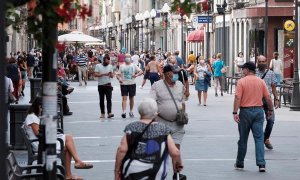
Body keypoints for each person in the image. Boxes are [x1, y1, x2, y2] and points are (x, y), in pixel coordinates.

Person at [23, 97, 93, 180]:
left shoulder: (35, 116)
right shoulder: (32, 117)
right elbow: (38, 133)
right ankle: (75, 165)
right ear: (38, 106)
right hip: (40, 145)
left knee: (68, 143)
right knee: (68, 139)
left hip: (43, 142)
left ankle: (70, 173)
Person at [114, 98, 183, 180]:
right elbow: (175, 152)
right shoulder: (163, 129)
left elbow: (122, 150)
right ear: (156, 113)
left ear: (140, 112)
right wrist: (178, 165)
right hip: (156, 170)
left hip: (133, 170)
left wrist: (117, 170)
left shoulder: (131, 127)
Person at [233, 62, 273, 172]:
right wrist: (270, 110)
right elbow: (268, 97)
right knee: (259, 138)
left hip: (245, 112)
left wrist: (235, 112)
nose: (242, 71)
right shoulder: (261, 81)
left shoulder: (241, 82)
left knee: (243, 139)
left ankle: (240, 163)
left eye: (243, 69)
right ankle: (261, 164)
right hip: (259, 111)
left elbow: (237, 97)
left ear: (247, 69)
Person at [149, 64, 187, 180]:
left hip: (177, 124)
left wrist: (182, 114)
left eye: (177, 72)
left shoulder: (180, 85)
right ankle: (157, 174)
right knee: (160, 151)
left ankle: (176, 174)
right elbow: (151, 102)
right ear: (165, 74)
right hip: (161, 123)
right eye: (173, 72)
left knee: (176, 150)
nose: (176, 75)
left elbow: (182, 101)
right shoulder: (157, 86)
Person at [256, 55, 280, 150]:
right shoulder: (253, 73)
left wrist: (276, 99)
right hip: (256, 100)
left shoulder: (271, 73)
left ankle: (265, 138)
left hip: (267, 100)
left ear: (266, 62)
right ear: (257, 62)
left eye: (263, 61)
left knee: (271, 121)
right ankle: (262, 140)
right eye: (260, 61)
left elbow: (274, 87)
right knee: (258, 122)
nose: (262, 63)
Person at [116, 54, 143, 118]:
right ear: (124, 58)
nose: (127, 58)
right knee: (124, 98)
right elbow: (118, 74)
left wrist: (136, 75)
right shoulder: (121, 66)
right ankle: (124, 112)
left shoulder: (133, 65)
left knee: (131, 98)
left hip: (132, 83)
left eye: (128, 57)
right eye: (126, 57)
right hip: (124, 84)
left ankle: (131, 111)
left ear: (131, 58)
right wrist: (119, 79)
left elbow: (141, 71)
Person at [94, 54, 115, 119]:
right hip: (101, 85)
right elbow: (95, 74)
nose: (108, 63)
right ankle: (102, 113)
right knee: (101, 100)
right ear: (104, 61)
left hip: (108, 84)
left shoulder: (110, 66)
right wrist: (104, 74)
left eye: (109, 61)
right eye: (107, 61)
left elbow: (111, 76)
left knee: (109, 99)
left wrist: (111, 75)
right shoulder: (98, 66)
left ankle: (109, 113)